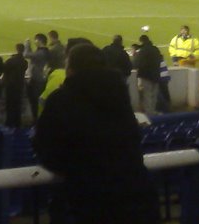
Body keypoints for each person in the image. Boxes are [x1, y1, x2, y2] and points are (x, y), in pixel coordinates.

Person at [33, 43, 159, 224]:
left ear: (71, 68)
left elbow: (45, 148)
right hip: (139, 198)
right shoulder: (119, 96)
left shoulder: (62, 100)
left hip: (93, 203)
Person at [134, 34, 162, 114]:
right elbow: (160, 59)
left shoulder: (143, 51)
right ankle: (153, 111)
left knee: (147, 95)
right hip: (156, 75)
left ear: (141, 41)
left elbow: (137, 63)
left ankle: (149, 113)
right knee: (154, 95)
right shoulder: (155, 49)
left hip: (146, 75)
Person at [24, 33, 49, 122]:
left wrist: (27, 44)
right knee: (33, 102)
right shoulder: (41, 51)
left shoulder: (42, 52)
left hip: (38, 80)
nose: (35, 41)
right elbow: (32, 56)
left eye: (36, 40)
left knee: (35, 102)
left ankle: (37, 121)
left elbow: (26, 54)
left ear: (39, 41)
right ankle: (36, 120)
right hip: (36, 79)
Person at [2, 42, 28, 128]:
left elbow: (5, 70)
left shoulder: (10, 61)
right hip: (19, 85)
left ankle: (9, 123)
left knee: (10, 105)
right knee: (17, 105)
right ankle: (18, 123)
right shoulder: (24, 62)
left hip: (10, 86)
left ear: (16, 49)